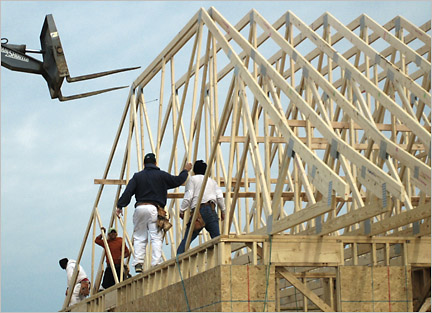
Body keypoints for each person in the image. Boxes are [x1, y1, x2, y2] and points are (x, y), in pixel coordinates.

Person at [116, 152, 192, 273]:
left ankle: (139, 263)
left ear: (144, 164)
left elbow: (128, 192)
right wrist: (185, 171)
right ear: (156, 163)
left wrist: (120, 206)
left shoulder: (137, 176)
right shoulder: (161, 175)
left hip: (140, 208)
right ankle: (156, 262)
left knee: (139, 236)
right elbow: (177, 181)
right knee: (156, 236)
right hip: (154, 209)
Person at [177, 160, 226, 255]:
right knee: (218, 240)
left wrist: (182, 210)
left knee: (187, 240)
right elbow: (220, 197)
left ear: (194, 171)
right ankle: (223, 260)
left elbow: (189, 196)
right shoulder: (212, 182)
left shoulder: (192, 179)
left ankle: (177, 262)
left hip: (198, 213)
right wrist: (223, 211)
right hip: (211, 210)